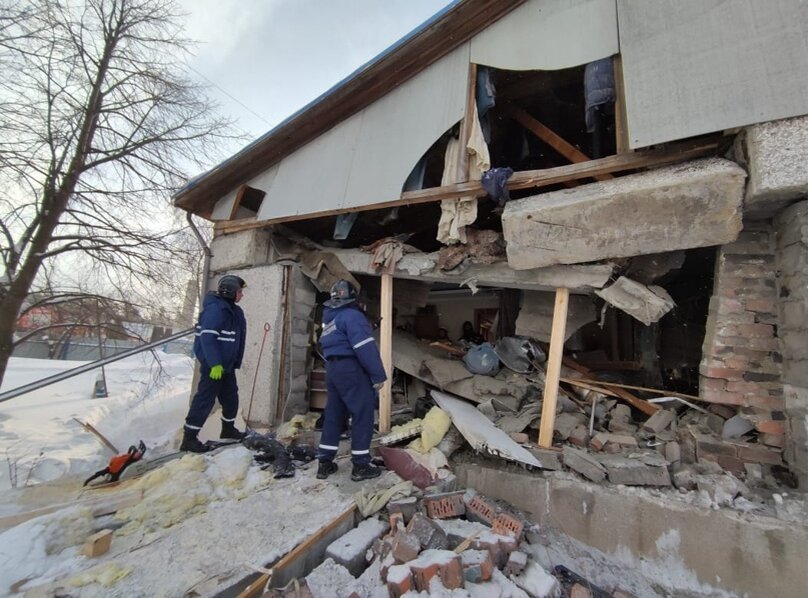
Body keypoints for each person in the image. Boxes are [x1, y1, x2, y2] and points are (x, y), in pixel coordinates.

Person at [316, 279, 386, 482]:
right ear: (353, 298)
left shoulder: (330, 318)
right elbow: (365, 348)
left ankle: (325, 463)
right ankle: (361, 465)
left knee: (334, 414)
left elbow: (340, 340)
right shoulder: (354, 316)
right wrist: (378, 375)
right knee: (362, 414)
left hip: (333, 369)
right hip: (352, 368)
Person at [180, 275, 248, 453]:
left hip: (227, 366)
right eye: (240, 291)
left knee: (231, 397)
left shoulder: (233, 310)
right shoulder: (216, 309)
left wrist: (230, 362)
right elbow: (207, 338)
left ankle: (228, 429)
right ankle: (189, 438)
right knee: (205, 399)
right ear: (230, 291)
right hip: (214, 366)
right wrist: (215, 363)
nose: (242, 295)